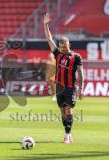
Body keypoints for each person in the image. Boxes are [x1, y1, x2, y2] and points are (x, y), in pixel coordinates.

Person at [44, 13, 84, 144]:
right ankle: (68, 132)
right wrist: (46, 25)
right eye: (61, 47)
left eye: (65, 46)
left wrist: (81, 89)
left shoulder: (76, 57)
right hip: (59, 86)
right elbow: (49, 39)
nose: (63, 48)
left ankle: (66, 135)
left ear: (69, 44)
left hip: (71, 87)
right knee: (62, 111)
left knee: (68, 110)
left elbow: (80, 73)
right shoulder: (58, 54)